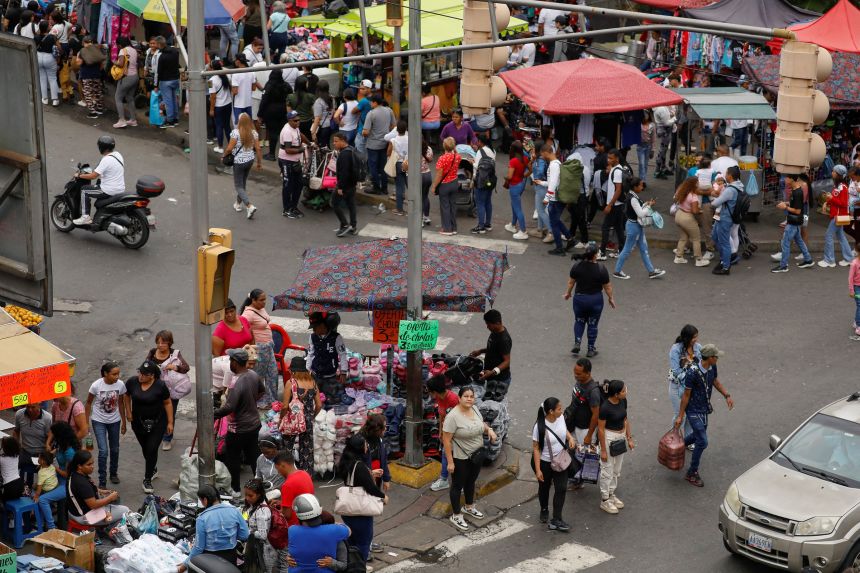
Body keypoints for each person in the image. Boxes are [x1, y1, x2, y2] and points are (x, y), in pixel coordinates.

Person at [674, 344, 735, 487]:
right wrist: (680, 416)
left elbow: (715, 381)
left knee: (696, 436)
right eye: (716, 357)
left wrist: (727, 395)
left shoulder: (712, 367)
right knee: (702, 441)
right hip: (693, 410)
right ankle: (692, 473)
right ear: (710, 358)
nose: (718, 359)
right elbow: (686, 395)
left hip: (704, 409)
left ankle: (677, 448)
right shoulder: (692, 372)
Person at [442, 386, 496, 531]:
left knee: (471, 481)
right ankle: (456, 515)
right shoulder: (452, 417)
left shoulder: (475, 409)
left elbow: (481, 424)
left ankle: (469, 507)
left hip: (476, 455)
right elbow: (446, 440)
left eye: (471, 396)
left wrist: (489, 430)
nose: (469, 399)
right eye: (466, 396)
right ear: (459, 398)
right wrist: (450, 462)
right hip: (460, 457)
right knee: (457, 485)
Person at [214, 348, 266, 494]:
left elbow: (230, 407)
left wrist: (214, 414)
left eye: (231, 360)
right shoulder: (253, 375)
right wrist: (250, 401)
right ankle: (260, 487)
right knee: (254, 456)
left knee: (233, 459)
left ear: (236, 363)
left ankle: (235, 489)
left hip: (238, 429)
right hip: (254, 424)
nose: (229, 362)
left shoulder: (236, 382)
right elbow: (262, 391)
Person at [124, 360, 173, 494]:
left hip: (158, 422)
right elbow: (126, 396)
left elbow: (168, 403)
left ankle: (147, 479)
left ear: (152, 375)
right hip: (138, 422)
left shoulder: (160, 385)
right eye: (140, 372)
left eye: (145, 374)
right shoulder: (132, 382)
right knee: (145, 448)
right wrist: (128, 411)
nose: (141, 376)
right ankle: (153, 469)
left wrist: (170, 422)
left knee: (152, 448)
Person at [336, 435, 387, 561]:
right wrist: (383, 496)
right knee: (363, 543)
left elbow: (354, 480)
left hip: (348, 509)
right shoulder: (359, 466)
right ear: (360, 448)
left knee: (352, 541)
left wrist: (370, 473)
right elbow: (370, 488)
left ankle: (352, 566)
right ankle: (360, 566)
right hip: (360, 510)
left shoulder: (346, 461)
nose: (367, 447)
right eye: (365, 445)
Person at [180, 485, 249, 569]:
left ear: (205, 500)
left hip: (210, 560)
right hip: (231, 558)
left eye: (201, 501)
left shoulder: (202, 519)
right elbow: (244, 535)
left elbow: (198, 548)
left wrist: (185, 564)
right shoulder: (234, 511)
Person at [532, 397, 574, 532]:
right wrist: (538, 470)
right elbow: (536, 449)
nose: (561, 411)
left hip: (560, 460)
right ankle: (544, 509)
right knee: (544, 488)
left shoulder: (560, 417)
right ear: (551, 411)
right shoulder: (539, 427)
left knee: (561, 488)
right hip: (544, 463)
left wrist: (570, 437)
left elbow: (564, 430)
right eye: (559, 409)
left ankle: (557, 518)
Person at [565, 243, 615, 356]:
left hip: (579, 300)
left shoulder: (577, 266)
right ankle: (591, 349)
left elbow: (571, 282)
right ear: (595, 255)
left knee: (579, 321)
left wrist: (568, 293)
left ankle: (577, 342)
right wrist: (611, 298)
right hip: (595, 301)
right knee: (593, 324)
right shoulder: (601, 269)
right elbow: (608, 287)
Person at [613, 177, 666, 280]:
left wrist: (646, 204)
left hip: (636, 226)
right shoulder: (633, 198)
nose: (642, 187)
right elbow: (641, 214)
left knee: (643, 249)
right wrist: (649, 206)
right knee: (627, 249)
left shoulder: (632, 195)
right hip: (634, 227)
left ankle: (651, 271)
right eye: (641, 185)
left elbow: (638, 208)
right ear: (635, 186)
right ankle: (617, 271)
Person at [145, 330, 189, 451]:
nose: (160, 345)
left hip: (171, 391)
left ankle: (167, 438)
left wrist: (174, 367)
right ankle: (155, 435)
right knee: (154, 413)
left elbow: (186, 368)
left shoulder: (175, 353)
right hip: (155, 389)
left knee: (170, 415)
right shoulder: (152, 353)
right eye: (158, 342)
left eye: (163, 342)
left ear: (169, 342)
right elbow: (145, 366)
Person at [85, 362, 126, 488]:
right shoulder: (96, 386)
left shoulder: (120, 385)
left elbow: (120, 403)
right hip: (99, 421)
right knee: (103, 450)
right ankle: (102, 480)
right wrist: (86, 422)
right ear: (105, 374)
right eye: (114, 374)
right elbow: (88, 403)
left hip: (115, 421)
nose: (117, 376)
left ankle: (113, 473)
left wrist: (124, 422)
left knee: (115, 449)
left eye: (118, 374)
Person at [286, 494, 350, 572]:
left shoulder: (292, 530)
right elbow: (349, 531)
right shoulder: (335, 530)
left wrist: (288, 557)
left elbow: (293, 551)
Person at [597, 380, 634, 514]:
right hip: (608, 438)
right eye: (624, 390)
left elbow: (625, 420)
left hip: (620, 437)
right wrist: (603, 450)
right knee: (607, 469)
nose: (626, 392)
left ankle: (611, 494)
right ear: (616, 394)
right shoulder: (605, 407)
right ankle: (605, 499)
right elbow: (600, 429)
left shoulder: (623, 401)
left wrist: (629, 438)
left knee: (616, 469)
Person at [66, 450, 129, 527]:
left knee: (116, 506)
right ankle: (110, 531)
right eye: (89, 464)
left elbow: (88, 489)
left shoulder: (75, 473)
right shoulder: (81, 483)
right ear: (79, 466)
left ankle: (106, 526)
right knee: (126, 511)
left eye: (92, 463)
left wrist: (103, 491)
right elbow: (94, 505)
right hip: (84, 517)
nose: (92, 466)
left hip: (76, 511)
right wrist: (110, 498)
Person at [72, 135, 125, 226]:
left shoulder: (106, 160)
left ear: (102, 147)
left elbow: (93, 176)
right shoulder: (118, 155)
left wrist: (80, 175)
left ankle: (85, 217)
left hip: (108, 190)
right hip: (120, 189)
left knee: (84, 189)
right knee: (97, 185)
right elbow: (106, 172)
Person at [281, 357, 321, 473]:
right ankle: (306, 475)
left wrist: (280, 419)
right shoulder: (313, 383)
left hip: (292, 420)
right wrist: (312, 416)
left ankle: (287, 472)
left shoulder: (291, 383)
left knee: (287, 447)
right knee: (307, 449)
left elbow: (284, 406)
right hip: (307, 420)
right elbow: (319, 405)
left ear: (293, 370)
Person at [39, 421, 79, 529]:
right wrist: (49, 454)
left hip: (67, 484)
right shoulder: (62, 446)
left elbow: (67, 474)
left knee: (43, 499)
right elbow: (55, 452)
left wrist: (53, 467)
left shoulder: (69, 452)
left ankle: (51, 528)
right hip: (58, 479)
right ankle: (41, 524)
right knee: (39, 488)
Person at [241, 290, 278, 406]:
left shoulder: (260, 308)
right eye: (261, 300)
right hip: (259, 348)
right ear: (253, 300)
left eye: (264, 299)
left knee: (273, 373)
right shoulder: (248, 314)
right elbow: (243, 329)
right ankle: (256, 401)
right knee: (259, 376)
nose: (264, 302)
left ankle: (271, 400)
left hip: (268, 347)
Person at [772, 173, 815, 273]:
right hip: (795, 221)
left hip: (793, 221)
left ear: (792, 179)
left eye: (786, 177)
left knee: (785, 243)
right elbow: (795, 204)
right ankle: (808, 259)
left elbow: (797, 211)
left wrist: (785, 207)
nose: (784, 180)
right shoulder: (796, 190)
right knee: (799, 241)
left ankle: (783, 266)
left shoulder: (797, 192)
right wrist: (786, 203)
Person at [223, 112, 262, 219]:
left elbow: (230, 148)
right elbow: (258, 149)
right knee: (242, 183)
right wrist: (259, 163)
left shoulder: (235, 133)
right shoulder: (254, 133)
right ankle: (238, 204)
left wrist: (224, 155)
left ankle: (249, 206)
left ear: (239, 121)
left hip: (239, 162)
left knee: (238, 185)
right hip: (250, 160)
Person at [668, 325, 700, 441]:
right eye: (694, 337)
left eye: (696, 336)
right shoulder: (676, 349)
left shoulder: (698, 348)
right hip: (677, 387)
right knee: (680, 415)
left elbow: (701, 365)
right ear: (687, 338)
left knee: (690, 415)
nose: (696, 340)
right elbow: (676, 371)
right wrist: (691, 376)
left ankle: (687, 440)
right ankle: (673, 438)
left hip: (691, 388)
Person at [427, 375, 459, 492]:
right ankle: (444, 479)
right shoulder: (440, 398)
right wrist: (441, 431)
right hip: (447, 432)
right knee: (446, 454)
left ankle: (454, 481)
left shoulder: (453, 399)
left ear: (434, 391)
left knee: (454, 457)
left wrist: (449, 436)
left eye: (429, 391)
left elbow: (458, 420)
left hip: (455, 433)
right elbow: (441, 416)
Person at [820, 165, 854, 268]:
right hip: (839, 215)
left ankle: (829, 260)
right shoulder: (840, 186)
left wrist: (831, 198)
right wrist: (828, 201)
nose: (832, 173)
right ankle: (848, 258)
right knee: (840, 236)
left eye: (834, 171)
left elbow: (843, 203)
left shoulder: (842, 187)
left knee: (828, 235)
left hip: (838, 216)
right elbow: (838, 201)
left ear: (838, 174)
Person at [279, 110, 311, 219]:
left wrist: (309, 143)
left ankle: (293, 206)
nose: (298, 122)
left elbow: (300, 135)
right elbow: (288, 150)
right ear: (289, 121)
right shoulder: (287, 131)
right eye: (295, 121)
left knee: (299, 184)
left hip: (295, 162)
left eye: (299, 120)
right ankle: (287, 209)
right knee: (288, 185)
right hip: (286, 161)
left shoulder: (295, 127)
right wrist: (301, 149)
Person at [363, 95, 396, 195]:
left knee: (373, 166)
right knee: (383, 166)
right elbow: (393, 126)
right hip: (385, 143)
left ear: (375, 103)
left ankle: (376, 187)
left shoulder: (371, 114)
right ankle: (384, 188)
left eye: (371, 102)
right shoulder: (389, 111)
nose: (370, 104)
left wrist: (364, 133)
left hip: (373, 144)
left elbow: (365, 132)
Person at [598, 149, 628, 261]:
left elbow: (618, 189)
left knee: (605, 227)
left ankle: (602, 252)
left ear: (617, 158)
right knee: (619, 228)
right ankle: (622, 250)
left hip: (615, 205)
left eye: (611, 158)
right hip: (618, 204)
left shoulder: (617, 172)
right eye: (608, 158)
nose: (608, 160)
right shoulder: (616, 169)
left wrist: (610, 204)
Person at [710, 167, 740, 275]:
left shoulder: (730, 190)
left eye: (726, 173)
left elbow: (715, 203)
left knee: (724, 242)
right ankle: (723, 260)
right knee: (715, 237)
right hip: (721, 217)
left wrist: (714, 198)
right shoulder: (736, 186)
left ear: (730, 176)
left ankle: (726, 266)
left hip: (725, 218)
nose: (725, 175)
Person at [243, 478, 277, 572]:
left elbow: (263, 535)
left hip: (262, 551)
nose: (247, 498)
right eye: (246, 495)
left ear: (259, 495)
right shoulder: (254, 505)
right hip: (256, 547)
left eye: (250, 495)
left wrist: (249, 531)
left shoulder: (262, 512)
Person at [673, 177, 709, 267]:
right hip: (687, 218)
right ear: (694, 184)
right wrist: (700, 211)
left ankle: (679, 257)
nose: (698, 184)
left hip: (679, 215)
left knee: (683, 237)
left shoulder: (682, 191)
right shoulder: (693, 196)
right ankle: (699, 259)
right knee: (696, 238)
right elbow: (694, 211)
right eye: (697, 183)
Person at [471, 309, 512, 387]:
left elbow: (507, 362)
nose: (487, 327)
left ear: (497, 323)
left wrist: (492, 372)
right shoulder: (495, 331)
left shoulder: (504, 340)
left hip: (500, 380)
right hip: (489, 375)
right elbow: (494, 349)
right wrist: (480, 351)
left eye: (489, 325)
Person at [14, 403, 51, 486]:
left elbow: (50, 438)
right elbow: (16, 431)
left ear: (40, 405)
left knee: (43, 480)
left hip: (40, 453)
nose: (30, 410)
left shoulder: (47, 418)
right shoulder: (19, 414)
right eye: (28, 407)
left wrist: (44, 457)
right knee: (16, 473)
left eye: (33, 407)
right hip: (24, 451)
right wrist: (16, 447)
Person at [430, 137, 461, 236]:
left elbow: (439, 175)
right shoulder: (457, 156)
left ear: (444, 146)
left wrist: (434, 186)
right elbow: (455, 153)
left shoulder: (442, 159)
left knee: (445, 207)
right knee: (452, 206)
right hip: (454, 182)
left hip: (445, 185)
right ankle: (454, 227)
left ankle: (447, 229)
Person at [276, 451, 314, 527]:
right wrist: (282, 503)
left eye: (277, 469)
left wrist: (275, 511)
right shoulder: (304, 474)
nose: (278, 472)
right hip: (310, 519)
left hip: (295, 525)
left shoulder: (287, 485)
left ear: (282, 465)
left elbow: (287, 515)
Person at [258, 70, 291, 161]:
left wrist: (260, 114)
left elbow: (264, 100)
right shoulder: (286, 85)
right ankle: (286, 152)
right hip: (283, 111)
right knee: (283, 132)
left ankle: (272, 154)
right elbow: (291, 97)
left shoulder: (269, 85)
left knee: (272, 132)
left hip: (270, 112)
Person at [568, 358, 601, 448]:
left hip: (585, 431)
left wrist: (589, 436)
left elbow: (595, 415)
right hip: (574, 426)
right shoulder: (579, 381)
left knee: (584, 459)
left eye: (578, 374)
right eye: (574, 372)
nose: (575, 375)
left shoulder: (593, 392)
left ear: (588, 373)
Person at [332, 131, 359, 237]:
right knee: (351, 205)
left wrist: (340, 187)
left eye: (336, 141)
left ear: (343, 141)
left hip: (345, 185)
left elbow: (344, 173)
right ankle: (353, 226)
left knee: (334, 203)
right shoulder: (352, 149)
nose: (334, 143)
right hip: (352, 184)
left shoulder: (344, 154)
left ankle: (344, 225)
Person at [503, 141, 531, 241]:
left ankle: (523, 231)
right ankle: (513, 225)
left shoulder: (513, 161)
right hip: (521, 184)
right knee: (514, 205)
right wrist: (524, 175)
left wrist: (505, 177)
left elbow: (510, 176)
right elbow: (530, 169)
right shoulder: (525, 158)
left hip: (514, 185)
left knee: (517, 208)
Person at [471, 133, 496, 235]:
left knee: (480, 203)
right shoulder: (492, 150)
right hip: (490, 180)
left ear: (480, 142)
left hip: (481, 181)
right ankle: (487, 224)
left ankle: (480, 227)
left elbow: (477, 167)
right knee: (487, 202)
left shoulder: (480, 152)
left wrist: (472, 162)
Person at [111, 36, 138, 128]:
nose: (118, 46)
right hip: (135, 76)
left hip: (126, 77)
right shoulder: (134, 50)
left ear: (120, 44)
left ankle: (122, 120)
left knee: (118, 98)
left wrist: (114, 62)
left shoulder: (123, 51)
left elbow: (121, 63)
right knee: (130, 97)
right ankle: (133, 120)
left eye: (118, 45)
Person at [384, 120, 409, 215]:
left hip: (398, 164)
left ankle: (399, 209)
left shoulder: (393, 140)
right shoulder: (409, 138)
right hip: (408, 163)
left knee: (399, 186)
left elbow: (388, 153)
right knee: (410, 185)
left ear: (397, 130)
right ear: (406, 129)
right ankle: (415, 206)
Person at [76, 35, 104, 119]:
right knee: (97, 91)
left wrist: (78, 57)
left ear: (84, 42)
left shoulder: (82, 51)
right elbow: (101, 65)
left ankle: (92, 112)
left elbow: (79, 63)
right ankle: (100, 109)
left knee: (88, 93)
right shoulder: (97, 49)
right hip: (96, 74)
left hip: (86, 75)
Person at [208, 59, 233, 154]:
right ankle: (232, 145)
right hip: (228, 104)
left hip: (218, 106)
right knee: (227, 126)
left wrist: (211, 109)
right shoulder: (226, 75)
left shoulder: (211, 80)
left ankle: (220, 146)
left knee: (219, 126)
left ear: (212, 68)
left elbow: (213, 97)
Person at [155, 36, 180, 128]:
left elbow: (159, 72)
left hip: (165, 81)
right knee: (174, 100)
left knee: (168, 101)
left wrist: (156, 84)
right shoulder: (175, 52)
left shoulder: (161, 57)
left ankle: (170, 120)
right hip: (175, 79)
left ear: (159, 44)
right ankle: (176, 119)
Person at [231, 54, 262, 121]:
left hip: (238, 105)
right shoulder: (251, 72)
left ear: (238, 61)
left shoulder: (235, 73)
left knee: (239, 125)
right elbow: (254, 88)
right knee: (249, 124)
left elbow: (235, 92)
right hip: (248, 103)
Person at [287, 74, 316, 139]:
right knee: (308, 140)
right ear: (304, 85)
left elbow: (289, 111)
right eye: (307, 83)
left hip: (295, 122)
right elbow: (314, 110)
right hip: (308, 122)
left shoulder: (290, 97)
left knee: (297, 140)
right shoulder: (310, 96)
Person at [652, 103, 675, 179]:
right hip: (665, 131)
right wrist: (675, 118)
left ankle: (663, 168)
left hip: (665, 131)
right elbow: (667, 122)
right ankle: (657, 171)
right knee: (662, 151)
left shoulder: (663, 107)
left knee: (663, 151)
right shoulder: (661, 109)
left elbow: (670, 115)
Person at [33, 451, 58, 520]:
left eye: (39, 458)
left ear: (43, 461)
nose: (38, 459)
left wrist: (36, 497)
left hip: (47, 491)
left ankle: (38, 516)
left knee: (33, 492)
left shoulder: (41, 473)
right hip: (55, 487)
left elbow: (39, 488)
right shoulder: (51, 466)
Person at [352, 79, 373, 155]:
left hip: (362, 130)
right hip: (372, 130)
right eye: (360, 88)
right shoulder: (375, 99)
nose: (360, 90)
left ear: (369, 89)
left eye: (363, 89)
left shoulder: (363, 101)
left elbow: (353, 111)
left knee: (360, 153)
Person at [311, 81, 334, 148]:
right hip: (330, 125)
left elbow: (317, 119)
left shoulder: (318, 102)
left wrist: (313, 132)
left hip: (322, 127)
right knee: (327, 145)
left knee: (322, 147)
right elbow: (333, 111)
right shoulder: (331, 98)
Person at [851, 241, 860, 340]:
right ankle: (858, 326)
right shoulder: (854, 263)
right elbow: (850, 278)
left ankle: (856, 321)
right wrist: (851, 290)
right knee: (859, 305)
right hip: (857, 287)